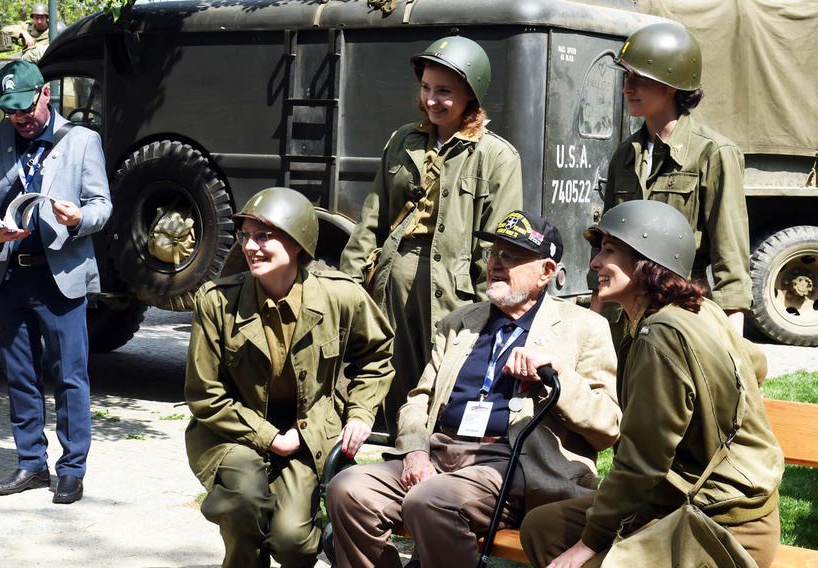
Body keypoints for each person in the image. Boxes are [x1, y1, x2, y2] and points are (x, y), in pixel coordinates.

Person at [327, 210, 620, 568]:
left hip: (512, 464)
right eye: (493, 253)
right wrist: (416, 451)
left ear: (545, 271)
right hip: (441, 453)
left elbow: (607, 426)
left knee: (431, 500)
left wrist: (557, 376)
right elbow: (420, 399)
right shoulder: (460, 322)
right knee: (348, 489)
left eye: (511, 256)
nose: (496, 264)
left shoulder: (583, 328)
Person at [521, 200, 784, 568]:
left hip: (722, 523)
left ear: (646, 261)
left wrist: (586, 545)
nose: (595, 262)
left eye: (609, 251)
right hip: (679, 499)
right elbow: (756, 363)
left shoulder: (662, 334)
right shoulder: (699, 309)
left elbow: (643, 463)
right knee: (542, 527)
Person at [184, 187, 394, 568]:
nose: (251, 247)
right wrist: (269, 438)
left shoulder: (340, 297)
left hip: (308, 431)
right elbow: (205, 395)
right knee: (244, 498)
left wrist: (361, 413)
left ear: (297, 243)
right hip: (231, 430)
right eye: (246, 236)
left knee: (292, 541)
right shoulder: (217, 301)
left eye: (265, 236)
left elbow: (378, 355)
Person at [340, 35, 523, 434]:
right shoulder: (403, 140)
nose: (431, 100)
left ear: (471, 95)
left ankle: (435, 466)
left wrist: (491, 311)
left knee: (443, 380)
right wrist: (350, 288)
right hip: (394, 276)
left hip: (452, 287)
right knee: (388, 373)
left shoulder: (497, 157)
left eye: (444, 91)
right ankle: (391, 460)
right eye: (425, 88)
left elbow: (498, 246)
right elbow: (372, 218)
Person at [0, 60, 112, 504]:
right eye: (11, 112)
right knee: (19, 374)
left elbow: (102, 206)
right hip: (9, 273)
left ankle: (72, 468)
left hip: (60, 276)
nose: (21, 120)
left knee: (69, 375)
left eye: (26, 109)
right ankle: (30, 462)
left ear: (45, 94)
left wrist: (77, 220)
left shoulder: (83, 141)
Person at [593, 22, 751, 335]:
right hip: (623, 317)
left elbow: (730, 258)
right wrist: (594, 319)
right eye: (627, 78)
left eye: (640, 80)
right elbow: (604, 245)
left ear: (672, 85)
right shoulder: (624, 156)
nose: (627, 88)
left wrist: (735, 347)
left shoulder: (713, 153)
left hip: (679, 316)